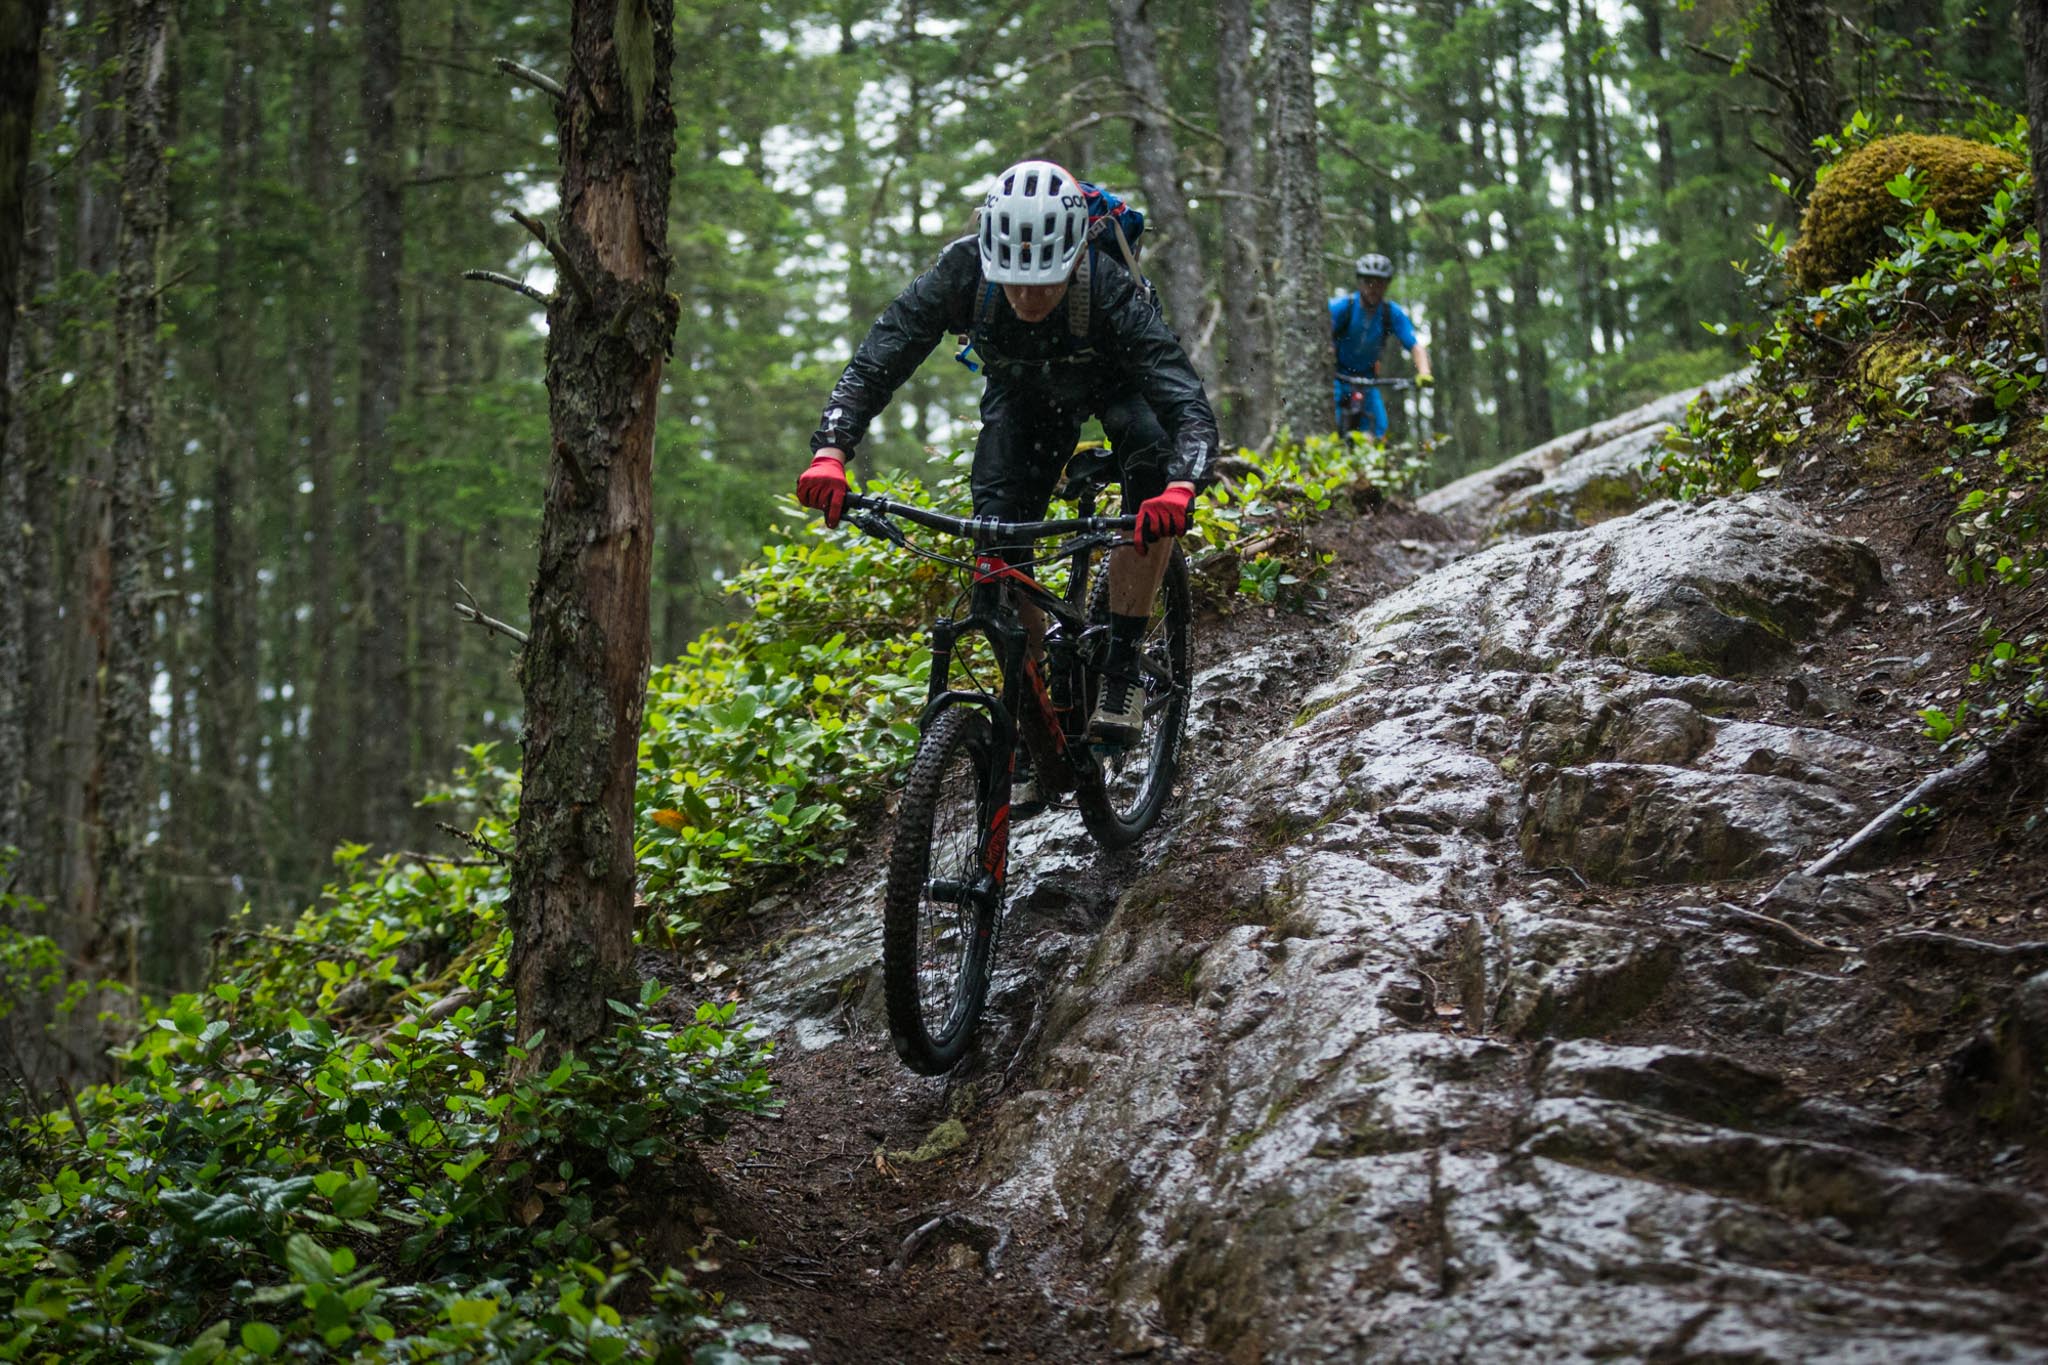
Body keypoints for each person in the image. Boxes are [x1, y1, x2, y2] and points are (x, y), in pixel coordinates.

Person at [794, 159, 1219, 790]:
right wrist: (832, 449)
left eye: (1044, 286)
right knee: (995, 543)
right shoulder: (963, 270)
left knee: (1152, 476)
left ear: (1074, 258)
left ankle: (1125, 663)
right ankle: (1035, 703)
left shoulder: (1109, 288)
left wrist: (1181, 484)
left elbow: (1185, 402)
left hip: (1120, 383)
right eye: (1016, 286)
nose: (1027, 300)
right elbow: (881, 355)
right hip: (1024, 397)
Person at [1330, 253, 1432, 440]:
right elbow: (1316, 334)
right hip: (1337, 376)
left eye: (1379, 283)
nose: (1373, 288)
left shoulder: (1391, 313)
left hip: (1368, 380)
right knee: (1328, 427)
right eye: (1368, 282)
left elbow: (1415, 346)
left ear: (1386, 285)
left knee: (1379, 432)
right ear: (1360, 282)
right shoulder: (1342, 307)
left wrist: (1424, 373)